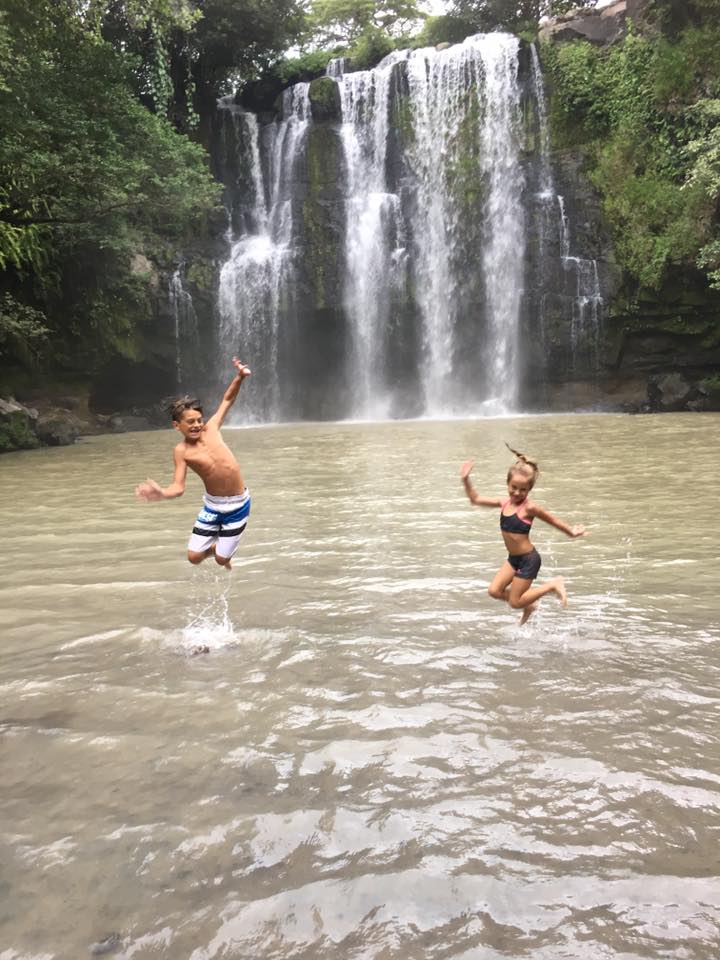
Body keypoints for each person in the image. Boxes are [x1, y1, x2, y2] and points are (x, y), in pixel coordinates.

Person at [135, 357, 252, 570]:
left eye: (199, 420)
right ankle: (213, 547)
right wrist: (162, 493)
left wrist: (240, 377)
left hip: (238, 503)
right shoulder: (182, 451)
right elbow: (178, 487)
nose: (197, 425)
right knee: (193, 557)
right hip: (213, 505)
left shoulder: (212, 428)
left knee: (222, 561)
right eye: (190, 422)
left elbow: (227, 400)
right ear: (176, 425)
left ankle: (221, 553)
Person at [460, 444, 586, 624]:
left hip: (528, 559)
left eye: (523, 490)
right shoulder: (503, 503)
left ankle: (552, 585)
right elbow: (475, 499)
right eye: (514, 487)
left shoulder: (530, 508)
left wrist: (572, 532)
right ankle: (530, 605)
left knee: (514, 601)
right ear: (507, 484)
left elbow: (553, 520)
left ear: (529, 490)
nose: (517, 493)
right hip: (514, 559)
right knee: (494, 591)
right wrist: (466, 479)